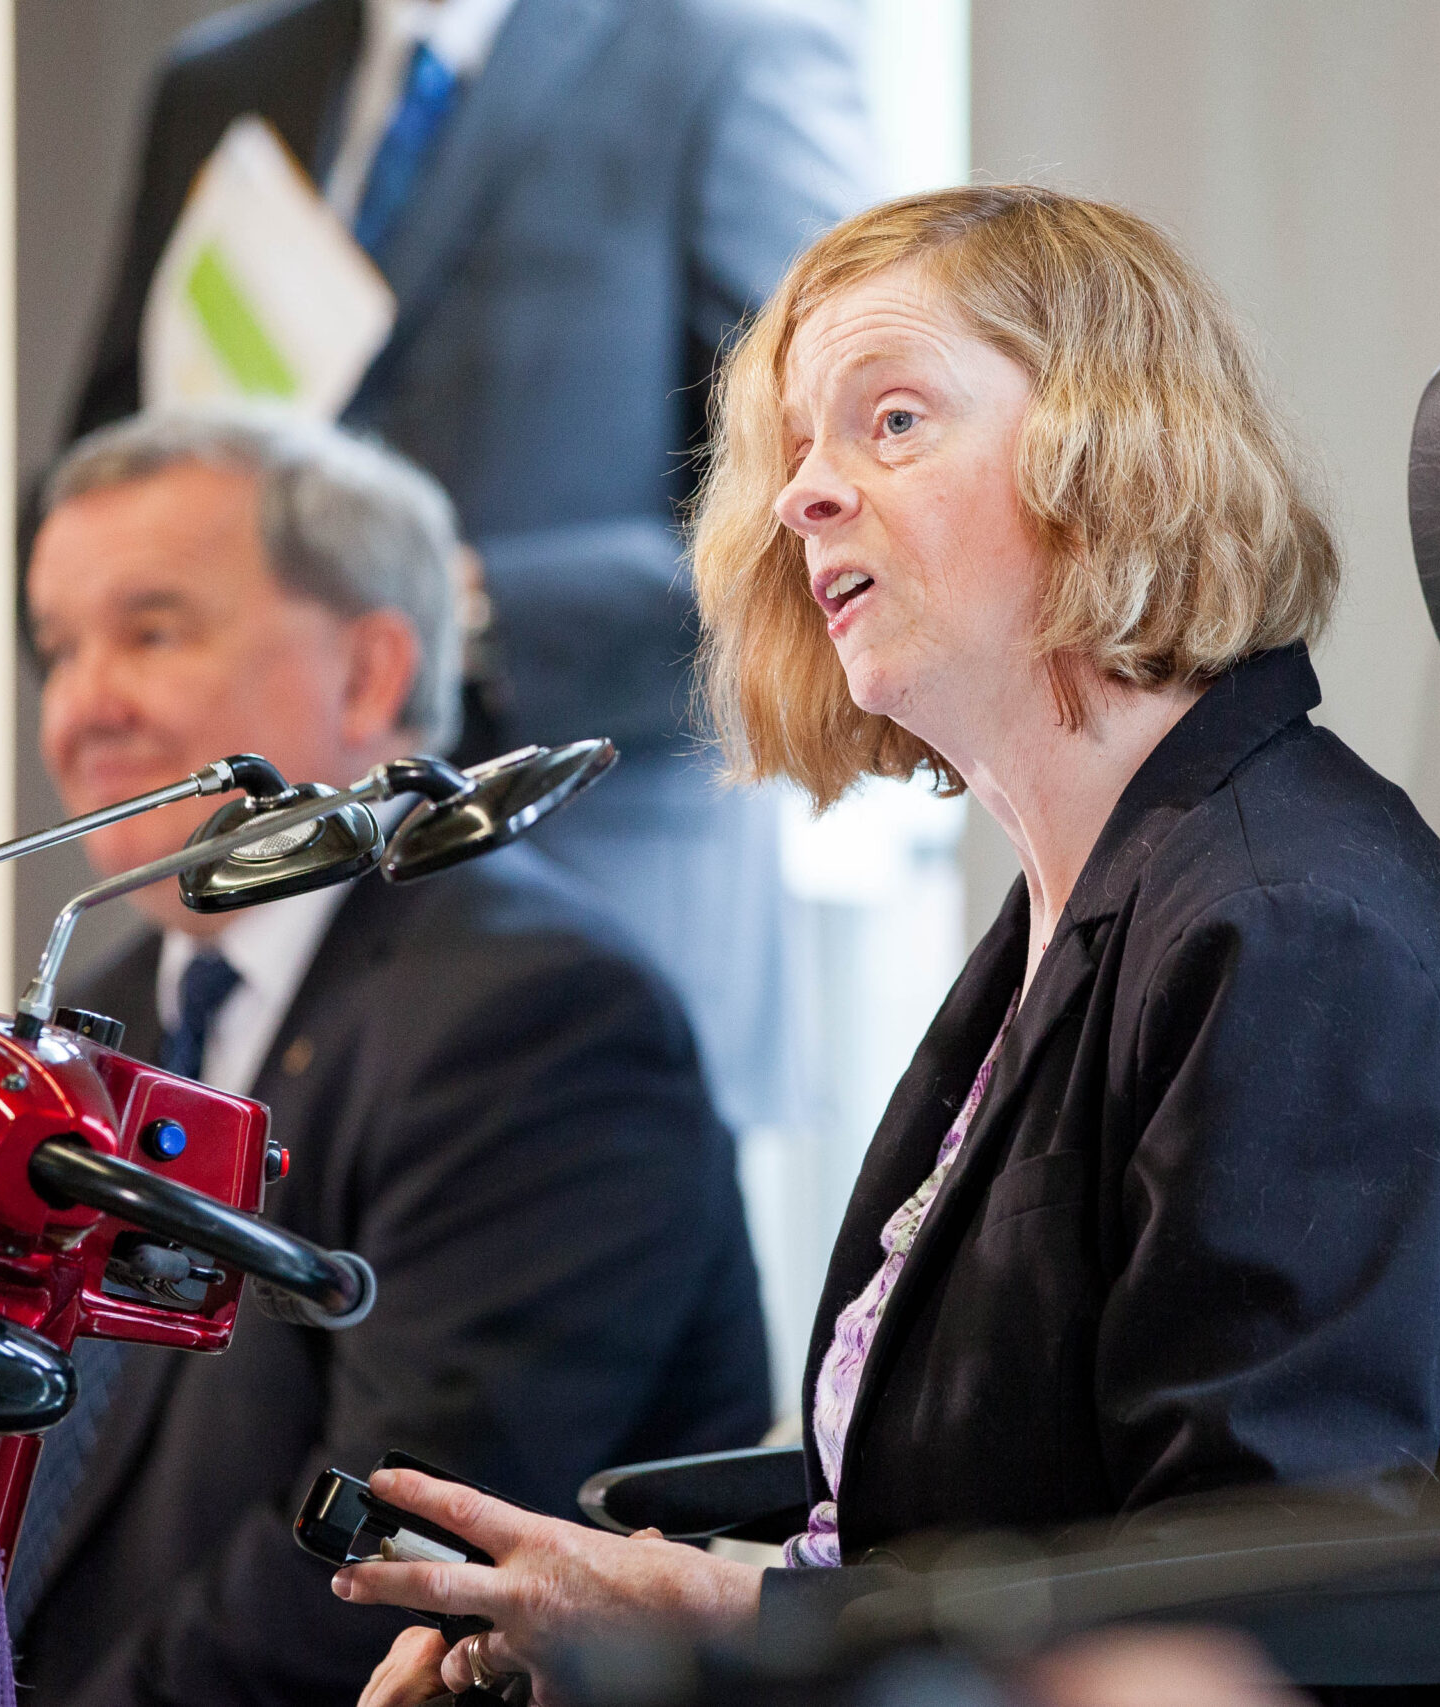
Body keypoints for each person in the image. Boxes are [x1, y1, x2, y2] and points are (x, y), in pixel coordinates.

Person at [333, 185, 1440, 1705]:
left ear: (1111, 453)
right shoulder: (1089, 885)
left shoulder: (1287, 924)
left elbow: (1240, 1610)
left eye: (892, 421)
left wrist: (716, 1614)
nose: (803, 496)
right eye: (798, 450)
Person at [7, 405, 772, 1707]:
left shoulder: (536, 1014)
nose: (83, 708)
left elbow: (381, 1548)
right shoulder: (103, 1001)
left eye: (149, 630)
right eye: (57, 650)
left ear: (368, 674)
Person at [69, 0, 875, 1130]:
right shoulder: (220, 80)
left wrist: (469, 613)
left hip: (583, 916)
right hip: (250, 947)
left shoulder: (725, 55)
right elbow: (92, 479)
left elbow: (827, 521)